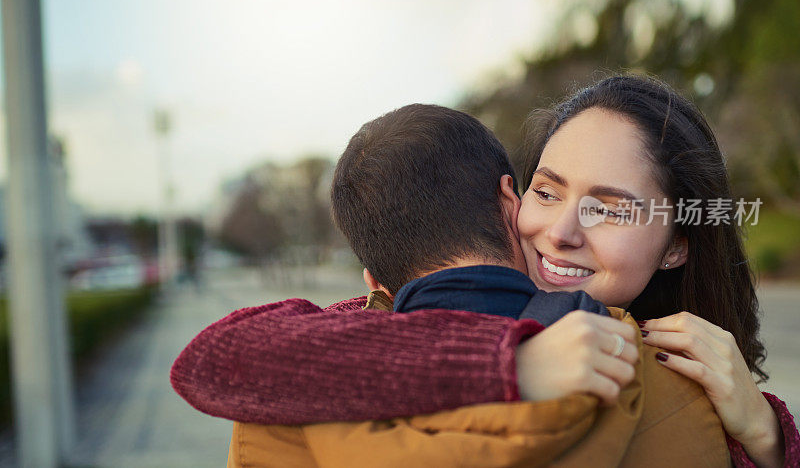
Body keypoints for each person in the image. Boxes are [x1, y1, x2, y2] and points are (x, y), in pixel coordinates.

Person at [171, 77, 799, 466]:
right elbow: (217, 359)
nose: (560, 232)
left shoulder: (697, 384)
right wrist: (508, 361)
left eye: (608, 208)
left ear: (676, 247)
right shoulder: (365, 330)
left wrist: (768, 441)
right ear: (509, 200)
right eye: (547, 193)